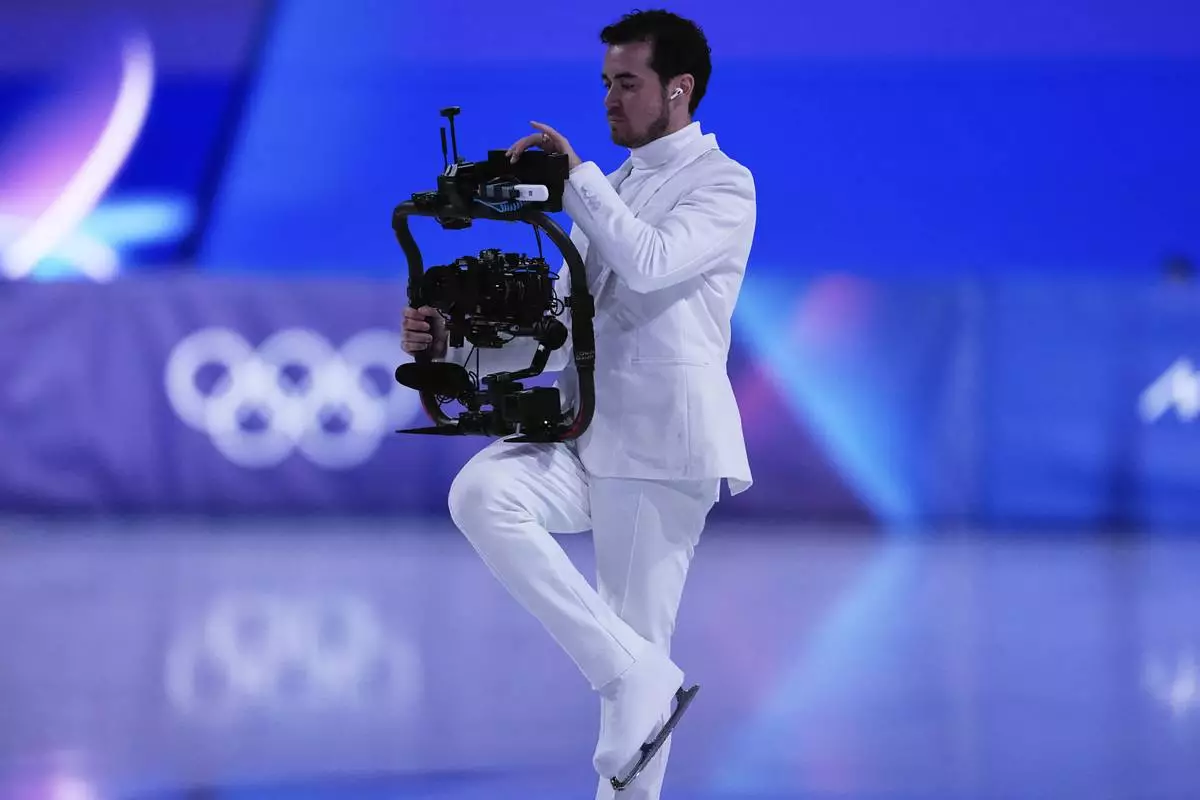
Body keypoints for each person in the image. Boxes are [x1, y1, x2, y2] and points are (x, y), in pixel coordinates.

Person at [401, 9, 756, 798]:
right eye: (605, 82)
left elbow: (653, 261)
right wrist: (452, 343)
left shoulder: (723, 183)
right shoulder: (612, 190)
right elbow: (562, 328)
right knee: (483, 493)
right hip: (583, 429)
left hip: (665, 446)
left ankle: (637, 686)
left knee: (632, 676)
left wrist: (578, 180)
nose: (609, 98)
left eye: (627, 83)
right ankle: (639, 675)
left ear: (679, 89)